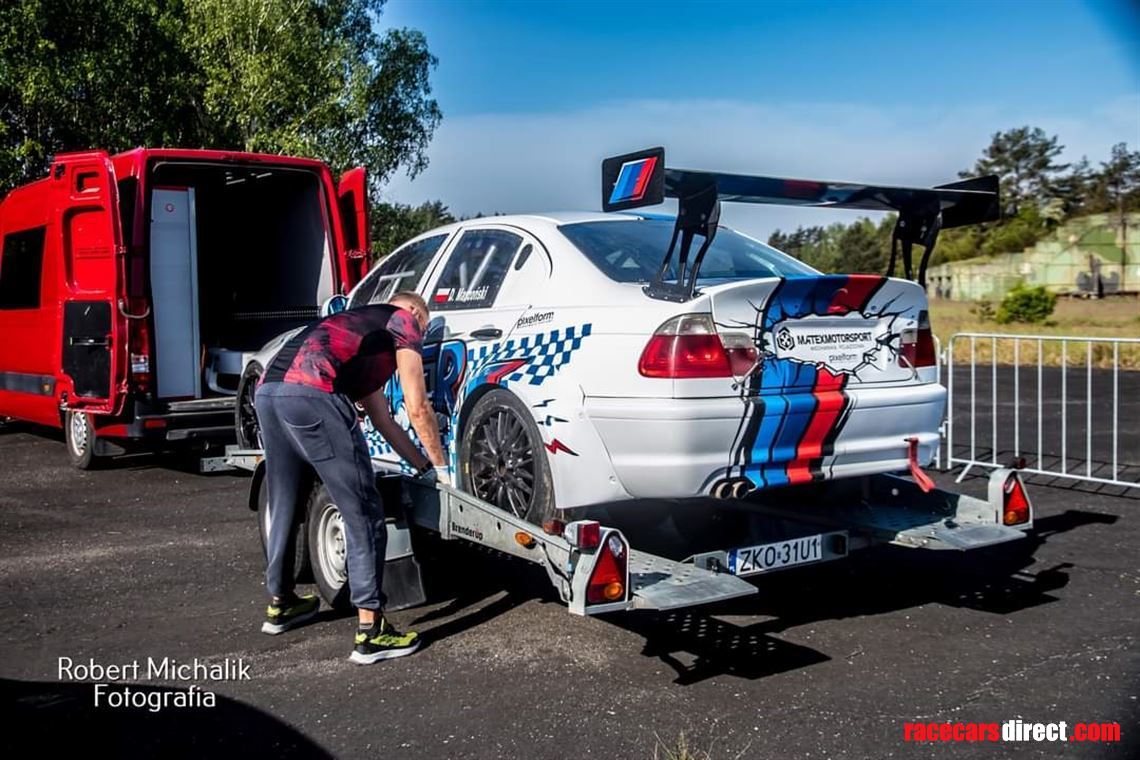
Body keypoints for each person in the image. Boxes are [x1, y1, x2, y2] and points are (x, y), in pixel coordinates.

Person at [253, 291, 448, 665]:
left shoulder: (355, 335)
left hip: (269, 393)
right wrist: (442, 469)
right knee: (362, 508)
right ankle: (371, 632)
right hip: (311, 393)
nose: (420, 335)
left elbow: (383, 419)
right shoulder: (400, 319)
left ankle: (282, 603)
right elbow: (417, 405)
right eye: (424, 322)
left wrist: (421, 465)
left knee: (284, 500)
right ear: (411, 311)